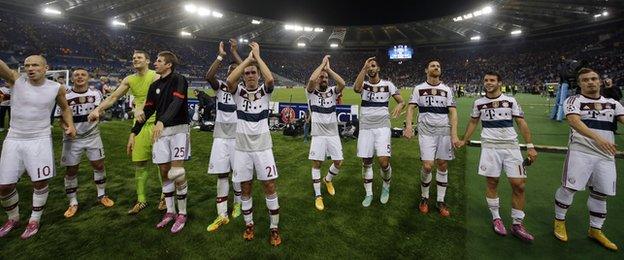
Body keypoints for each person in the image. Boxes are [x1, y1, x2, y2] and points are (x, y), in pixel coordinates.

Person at [0, 55, 76, 239]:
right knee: (4, 186)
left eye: (35, 65)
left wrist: (70, 125)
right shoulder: (16, 81)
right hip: (14, 138)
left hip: (40, 139)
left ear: (46, 68)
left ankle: (34, 219)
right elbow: (3, 67)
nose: (30, 68)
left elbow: (65, 108)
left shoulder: (56, 88)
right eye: (27, 65)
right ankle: (13, 218)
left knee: (40, 182)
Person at [457, 71, 538, 242]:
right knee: (492, 182)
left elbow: (521, 122)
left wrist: (530, 146)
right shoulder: (478, 102)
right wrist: (465, 140)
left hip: (511, 147)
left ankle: (517, 224)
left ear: (500, 82)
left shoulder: (511, 101)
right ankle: (496, 218)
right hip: (490, 147)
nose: (488, 82)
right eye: (486, 80)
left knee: (519, 185)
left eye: (492, 80)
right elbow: (473, 121)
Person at [553, 68, 623, 251]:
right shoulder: (574, 100)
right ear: (580, 83)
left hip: (606, 155)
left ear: (600, 81)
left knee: (601, 193)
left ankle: (595, 230)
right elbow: (575, 121)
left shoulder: (612, 103)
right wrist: (599, 139)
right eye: (585, 80)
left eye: (593, 79)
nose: (590, 82)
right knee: (569, 188)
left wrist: (603, 143)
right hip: (581, 151)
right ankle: (559, 220)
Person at [89, 50, 165, 214]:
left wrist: (140, 107)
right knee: (139, 164)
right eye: (133, 58)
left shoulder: (155, 76)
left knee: (162, 164)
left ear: (148, 61)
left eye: (139, 57)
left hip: (157, 125)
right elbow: (113, 97)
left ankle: (165, 197)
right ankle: (141, 200)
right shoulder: (129, 79)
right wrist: (98, 109)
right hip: (139, 126)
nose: (135, 59)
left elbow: (155, 96)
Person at [225, 42, 282, 246]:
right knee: (245, 187)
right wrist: (248, 60)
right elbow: (229, 80)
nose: (250, 75)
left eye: (253, 73)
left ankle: (274, 228)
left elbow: (270, 79)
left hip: (263, 148)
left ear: (257, 75)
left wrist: (257, 58)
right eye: (247, 73)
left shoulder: (265, 92)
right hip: (242, 149)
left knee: (269, 185)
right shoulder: (238, 92)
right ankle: (249, 224)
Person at [130, 51, 190, 233]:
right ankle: (170, 211)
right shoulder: (154, 85)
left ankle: (183, 213)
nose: (155, 63)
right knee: (164, 171)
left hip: (178, 130)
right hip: (161, 132)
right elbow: (147, 110)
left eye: (159, 61)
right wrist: (134, 132)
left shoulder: (179, 79)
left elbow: (177, 103)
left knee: (177, 172)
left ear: (169, 65)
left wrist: (162, 120)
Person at [404, 60, 458, 217]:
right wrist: (409, 126)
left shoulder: (447, 90)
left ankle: (440, 201)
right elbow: (411, 108)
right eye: (433, 66)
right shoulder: (419, 89)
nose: (436, 67)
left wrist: (453, 134)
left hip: (443, 131)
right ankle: (424, 197)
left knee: (442, 165)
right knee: (428, 166)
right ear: (426, 70)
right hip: (426, 131)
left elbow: (453, 113)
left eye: (439, 66)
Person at [58, 68, 114, 218]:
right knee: (71, 170)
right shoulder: (65, 95)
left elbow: (100, 110)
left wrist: (98, 114)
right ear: (73, 78)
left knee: (99, 165)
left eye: (83, 75)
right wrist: (67, 128)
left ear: (88, 78)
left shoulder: (96, 93)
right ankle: (73, 202)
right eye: (76, 75)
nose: (80, 77)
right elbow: (60, 119)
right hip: (72, 139)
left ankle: (102, 195)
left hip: (92, 136)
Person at [204, 40, 244, 232]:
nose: (233, 71)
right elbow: (209, 75)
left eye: (237, 69)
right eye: (231, 69)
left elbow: (248, 66)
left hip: (238, 137)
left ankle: (237, 204)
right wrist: (221, 56)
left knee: (237, 174)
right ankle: (222, 214)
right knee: (222, 174)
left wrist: (236, 54)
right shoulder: (220, 86)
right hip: (220, 137)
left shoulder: (243, 90)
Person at [353, 57, 405, 207]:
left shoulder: (388, 85)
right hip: (366, 127)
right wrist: (363, 67)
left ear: (378, 69)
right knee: (366, 161)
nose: (371, 68)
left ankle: (386, 186)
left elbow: (401, 101)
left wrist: (399, 106)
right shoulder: (363, 85)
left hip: (382, 126)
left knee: (383, 161)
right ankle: (368, 193)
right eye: (369, 66)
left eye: (373, 65)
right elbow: (356, 89)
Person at [306, 55, 346, 211]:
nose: (323, 79)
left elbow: (342, 83)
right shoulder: (310, 92)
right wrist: (321, 65)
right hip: (318, 134)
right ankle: (318, 196)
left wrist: (328, 69)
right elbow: (310, 80)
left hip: (333, 134)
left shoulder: (332, 92)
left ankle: (328, 180)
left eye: (325, 78)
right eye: (321, 77)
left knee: (338, 162)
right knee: (317, 164)